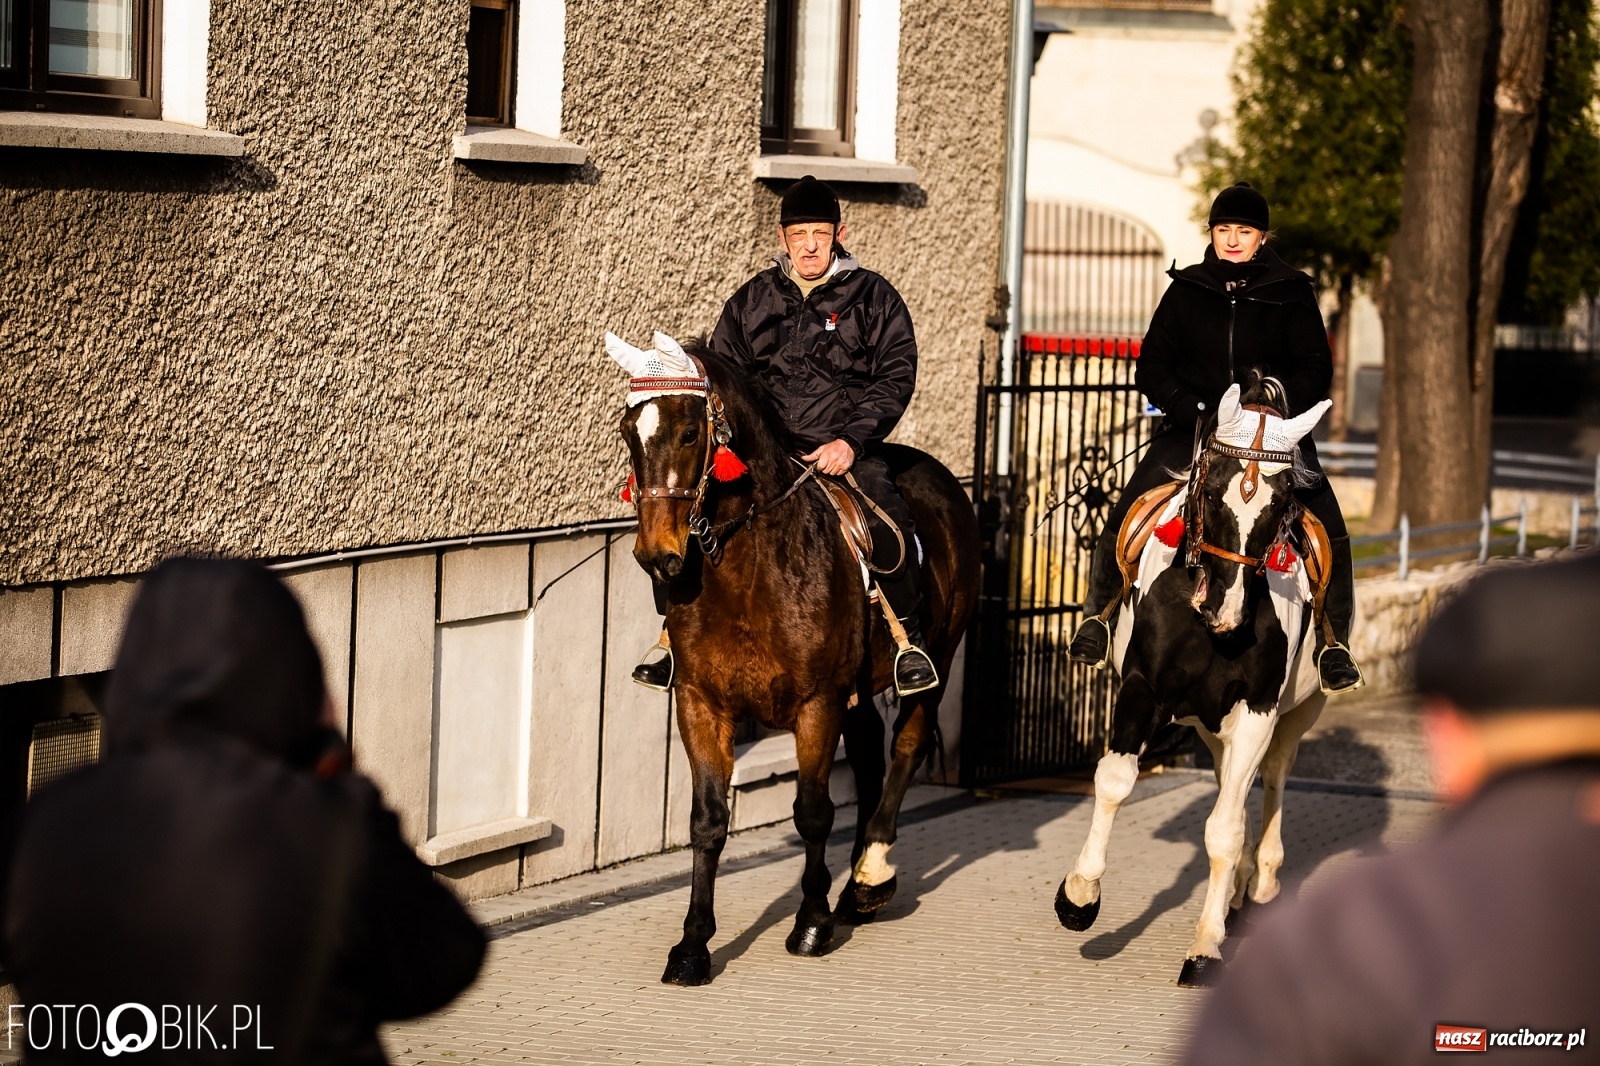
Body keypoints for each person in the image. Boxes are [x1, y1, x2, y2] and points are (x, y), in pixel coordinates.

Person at [0, 558, 485, 1064]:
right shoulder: (328, 831)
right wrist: (336, 773)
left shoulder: (42, 826)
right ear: (287, 674)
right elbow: (445, 961)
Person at [1182, 551, 1600, 1065]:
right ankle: (1105, 610)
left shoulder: (1347, 932)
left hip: (1295, 482)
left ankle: (1332, 644)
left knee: (1331, 539)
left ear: (1443, 735)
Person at [632, 175, 938, 697]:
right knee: (688, 518)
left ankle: (908, 641)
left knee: (889, 523)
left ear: (840, 232)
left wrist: (852, 442)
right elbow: (721, 375)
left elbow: (895, 376)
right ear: (783, 238)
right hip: (767, 454)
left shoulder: (874, 298)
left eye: (820, 233)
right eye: (800, 235)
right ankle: (671, 638)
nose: (811, 245)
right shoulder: (752, 300)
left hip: (842, 450)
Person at [1066, 181, 1363, 694]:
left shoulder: (1292, 293)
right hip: (1195, 430)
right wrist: (1195, 409)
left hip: (1273, 436)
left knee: (1328, 525)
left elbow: (1316, 367)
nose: (1231, 240)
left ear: (1263, 237)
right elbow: (1153, 364)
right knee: (1127, 509)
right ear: (1212, 232)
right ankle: (1099, 616)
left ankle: (1333, 642)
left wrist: (1269, 406)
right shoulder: (1188, 287)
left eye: (1243, 231)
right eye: (1223, 229)